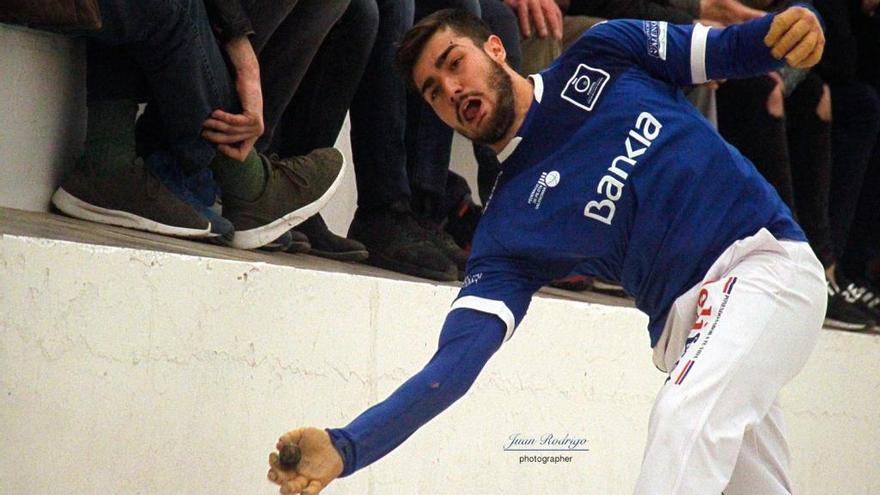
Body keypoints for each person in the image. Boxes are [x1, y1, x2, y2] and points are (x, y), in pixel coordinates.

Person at [267, 6, 826, 495]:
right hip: (692, 334)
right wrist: (349, 446)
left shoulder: (607, 51)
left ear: (494, 48)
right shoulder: (507, 230)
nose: (451, 89)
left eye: (454, 62)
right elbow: (452, 368)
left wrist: (802, 20)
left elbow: (742, 45)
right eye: (433, 91)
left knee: (684, 421)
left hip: (763, 264)